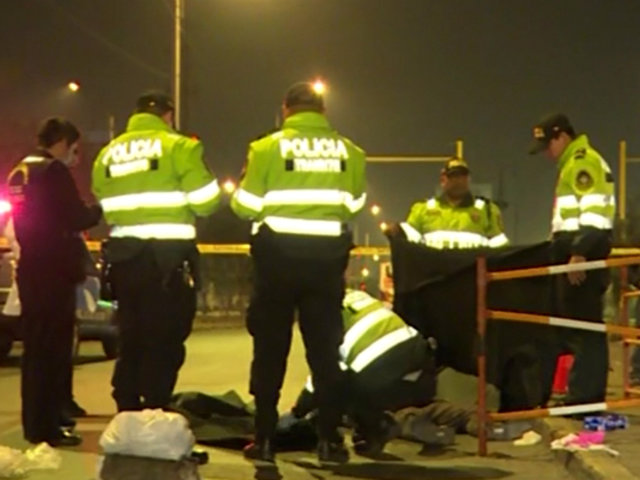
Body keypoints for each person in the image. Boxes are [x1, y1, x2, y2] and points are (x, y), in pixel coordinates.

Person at [231, 81, 366, 463]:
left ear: (286, 109)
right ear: (323, 111)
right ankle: (328, 441)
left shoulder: (265, 148)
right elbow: (353, 205)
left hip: (276, 262)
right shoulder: (350, 152)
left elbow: (245, 206)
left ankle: (264, 439)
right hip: (326, 263)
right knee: (324, 353)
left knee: (269, 350)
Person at [92, 91, 221, 412]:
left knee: (131, 333)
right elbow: (206, 202)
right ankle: (155, 405)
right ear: (168, 115)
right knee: (165, 336)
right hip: (167, 259)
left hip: (124, 259)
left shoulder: (109, 154)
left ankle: (126, 402)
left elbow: (102, 199)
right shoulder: (180, 147)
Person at [7, 117, 102, 446]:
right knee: (53, 352)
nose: (73, 156)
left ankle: (35, 423)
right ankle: (48, 427)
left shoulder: (20, 170)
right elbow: (76, 217)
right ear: (61, 142)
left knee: (35, 351)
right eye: (73, 148)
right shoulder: (52, 171)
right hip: (54, 271)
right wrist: (98, 210)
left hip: (30, 267)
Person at [529, 113, 615, 406]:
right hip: (574, 257)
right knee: (576, 329)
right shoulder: (573, 163)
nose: (547, 154)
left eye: (548, 145)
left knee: (585, 331)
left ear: (562, 136)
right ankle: (579, 395)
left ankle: (584, 399)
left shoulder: (582, 162)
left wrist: (579, 252)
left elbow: (595, 216)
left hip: (581, 260)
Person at [289, 289, 435, 456]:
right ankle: (379, 424)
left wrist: (298, 411)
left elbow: (324, 374)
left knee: (340, 387)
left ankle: (374, 429)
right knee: (361, 381)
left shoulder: (318, 316)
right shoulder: (354, 296)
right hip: (419, 360)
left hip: (379, 370)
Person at [402, 157, 508, 249]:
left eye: (463, 176)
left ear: (469, 179)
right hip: (434, 267)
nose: (459, 181)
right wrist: (396, 231)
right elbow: (407, 243)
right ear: (443, 180)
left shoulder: (487, 211)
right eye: (453, 176)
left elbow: (499, 250)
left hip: (471, 267)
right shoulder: (422, 210)